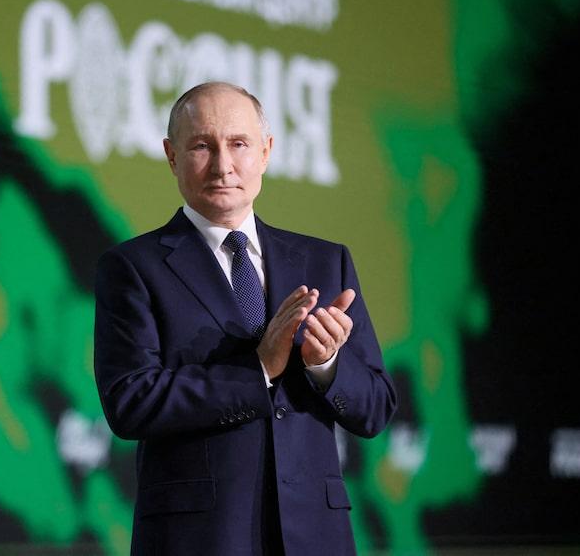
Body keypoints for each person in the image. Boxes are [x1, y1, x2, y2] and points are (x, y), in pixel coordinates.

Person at [93, 82, 397, 555]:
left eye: (238, 144)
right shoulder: (134, 267)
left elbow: (376, 407)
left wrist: (326, 365)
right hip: (200, 539)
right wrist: (258, 370)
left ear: (266, 152)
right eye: (201, 146)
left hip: (315, 535)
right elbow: (131, 402)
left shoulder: (325, 261)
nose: (223, 165)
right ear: (172, 156)